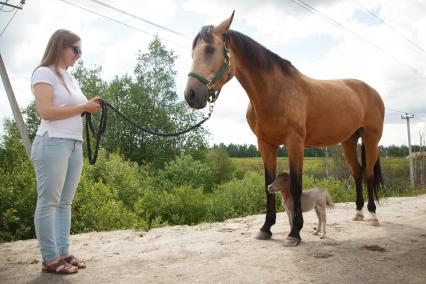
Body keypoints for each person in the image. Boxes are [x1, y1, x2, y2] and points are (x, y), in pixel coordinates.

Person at [31, 29, 100, 274]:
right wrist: (83, 106)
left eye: (81, 51)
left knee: (65, 203)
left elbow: (72, 107)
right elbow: (46, 112)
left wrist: (88, 106)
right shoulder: (43, 73)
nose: (79, 55)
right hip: (52, 143)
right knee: (49, 202)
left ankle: (63, 252)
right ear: (61, 47)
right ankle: (50, 259)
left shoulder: (70, 78)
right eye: (76, 50)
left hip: (73, 143)